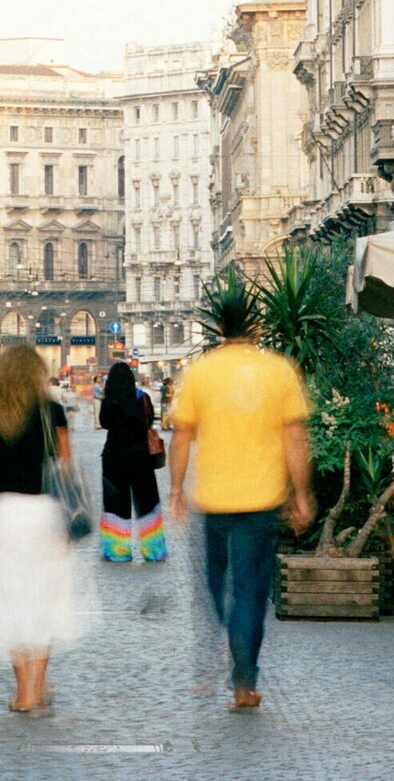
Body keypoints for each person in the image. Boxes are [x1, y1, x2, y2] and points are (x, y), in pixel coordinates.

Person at [168, 289, 314, 712]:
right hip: (262, 498)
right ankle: (244, 679)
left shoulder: (200, 372)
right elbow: (294, 437)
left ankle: (231, 648)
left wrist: (177, 490)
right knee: (250, 591)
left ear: (218, 328)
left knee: (217, 585)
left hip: (212, 498)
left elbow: (182, 437)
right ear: (258, 328)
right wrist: (301, 492)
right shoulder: (279, 370)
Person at [0, 343, 82, 714]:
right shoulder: (52, 411)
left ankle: (23, 691)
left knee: (11, 599)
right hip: (45, 512)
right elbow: (65, 463)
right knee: (45, 600)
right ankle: (39, 689)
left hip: (6, 513)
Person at [97, 362, 166, 563]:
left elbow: (104, 423)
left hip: (114, 457)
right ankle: (153, 550)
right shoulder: (142, 397)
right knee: (147, 501)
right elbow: (149, 421)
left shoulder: (110, 400)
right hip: (141, 456)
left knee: (115, 503)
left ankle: (118, 551)